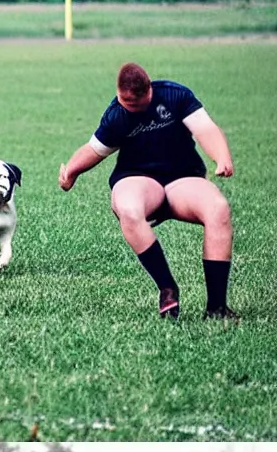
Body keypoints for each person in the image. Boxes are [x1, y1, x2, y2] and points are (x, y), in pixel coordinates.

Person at [59, 61, 237, 321]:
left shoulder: (175, 95)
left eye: (133, 104)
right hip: (138, 179)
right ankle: (167, 288)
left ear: (148, 91)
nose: (126, 107)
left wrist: (221, 156)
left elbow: (205, 128)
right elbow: (94, 150)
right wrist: (70, 174)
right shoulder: (117, 114)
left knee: (218, 209)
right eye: (123, 101)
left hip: (183, 178)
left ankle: (217, 308)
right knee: (129, 210)